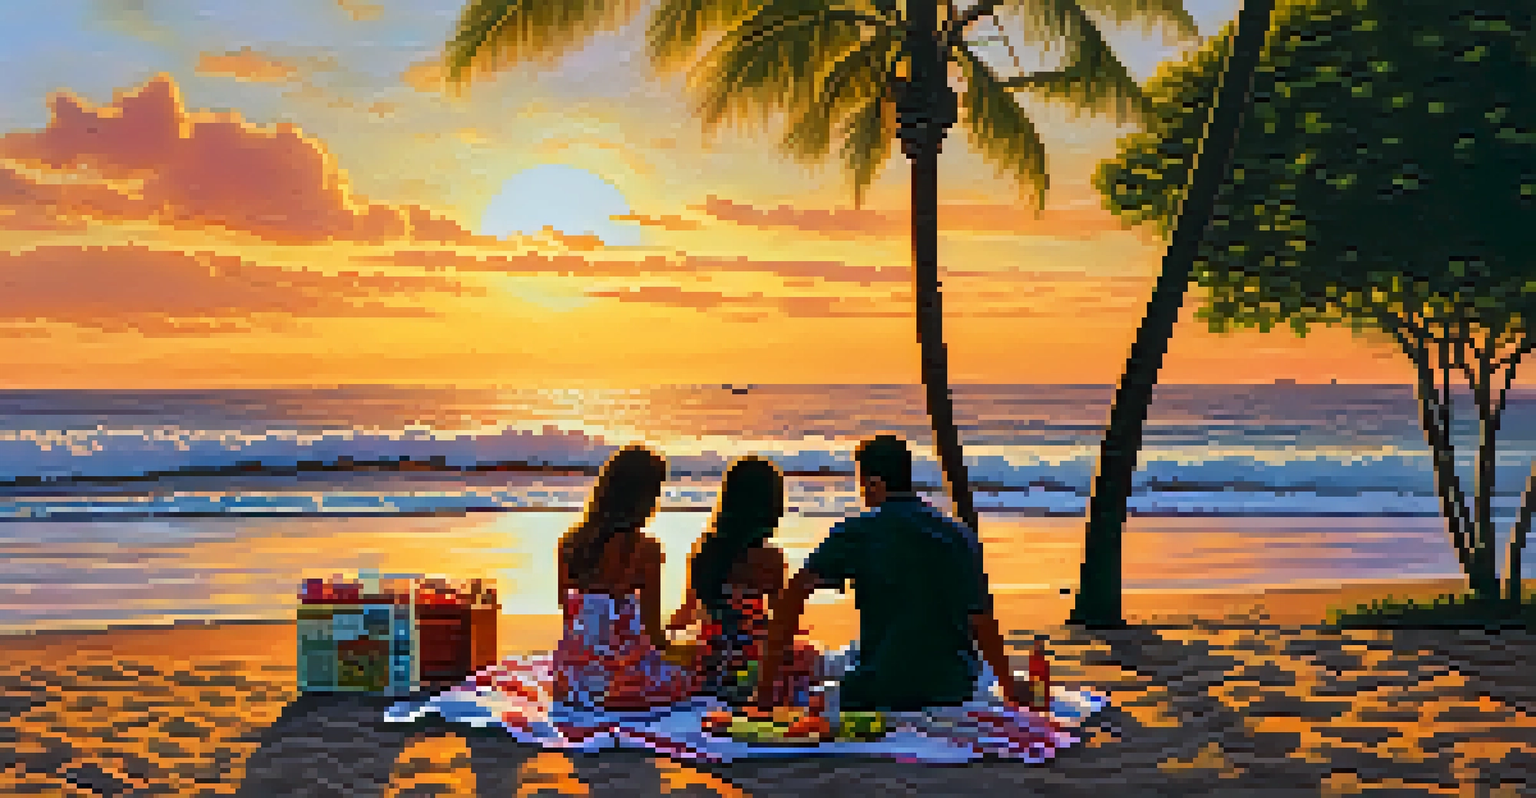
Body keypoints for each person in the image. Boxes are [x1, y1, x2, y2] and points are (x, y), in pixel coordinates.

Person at [755, 434, 1024, 713]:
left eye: (864, 487)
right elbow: (982, 621)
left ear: (875, 484)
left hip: (879, 687)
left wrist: (766, 685)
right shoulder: (958, 535)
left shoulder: (859, 531)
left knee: (824, 681)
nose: (864, 496)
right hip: (952, 687)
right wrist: (1009, 688)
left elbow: (795, 593)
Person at [666, 456, 818, 705]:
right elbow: (781, 624)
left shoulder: (704, 550)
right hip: (752, 666)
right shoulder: (769, 558)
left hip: (712, 664)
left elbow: (686, 614)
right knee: (810, 656)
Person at [552, 445, 695, 711]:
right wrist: (683, 650)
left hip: (570, 680)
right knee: (692, 674)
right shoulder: (647, 551)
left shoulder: (569, 544)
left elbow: (570, 621)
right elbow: (653, 636)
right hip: (620, 683)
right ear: (643, 499)